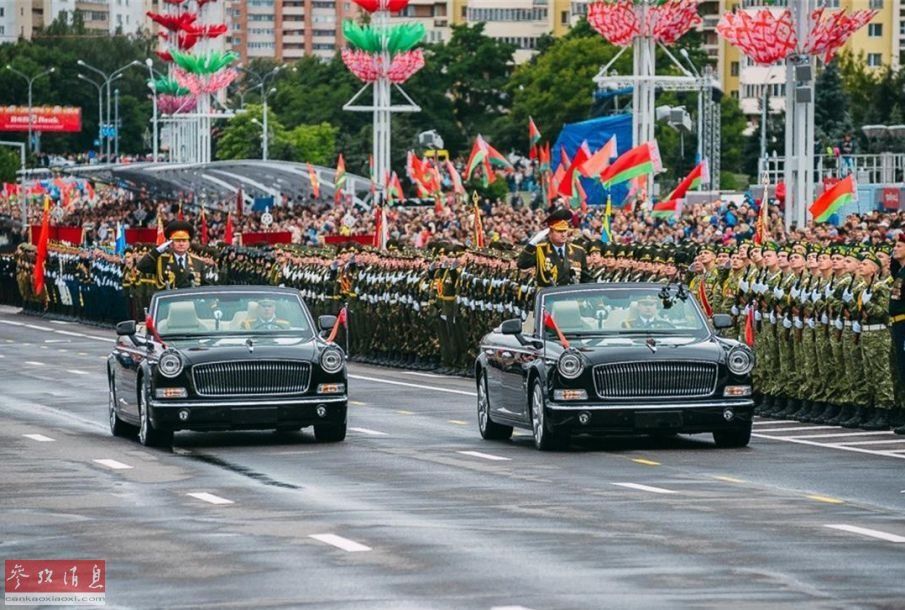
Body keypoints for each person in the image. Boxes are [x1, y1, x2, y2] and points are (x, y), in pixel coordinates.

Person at [517, 208, 589, 287]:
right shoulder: (540, 250)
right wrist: (532, 243)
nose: (563, 235)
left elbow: (586, 279)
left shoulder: (578, 251)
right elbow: (522, 264)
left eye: (565, 231)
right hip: (550, 297)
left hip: (572, 297)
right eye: (559, 231)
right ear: (550, 233)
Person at [137, 220, 215, 290]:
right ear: (170, 243)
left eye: (184, 241)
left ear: (189, 243)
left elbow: (206, 286)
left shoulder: (198, 262)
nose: (181, 244)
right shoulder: (161, 260)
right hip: (168, 303)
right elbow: (142, 267)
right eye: (177, 240)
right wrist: (156, 251)